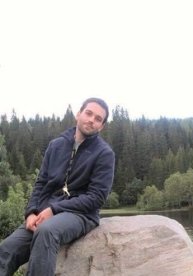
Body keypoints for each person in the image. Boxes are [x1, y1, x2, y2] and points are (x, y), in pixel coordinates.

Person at [0, 97, 115, 276]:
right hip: (46, 212)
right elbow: (41, 184)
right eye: (89, 113)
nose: (92, 120)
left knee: (47, 231)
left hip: (81, 215)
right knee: (7, 249)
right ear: (79, 114)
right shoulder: (56, 145)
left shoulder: (104, 154)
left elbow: (96, 198)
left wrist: (54, 209)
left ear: (101, 127)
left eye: (98, 119)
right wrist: (31, 212)